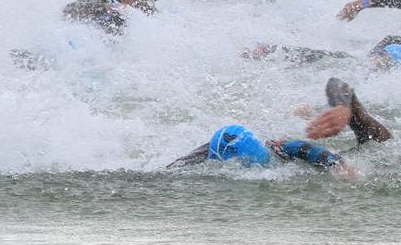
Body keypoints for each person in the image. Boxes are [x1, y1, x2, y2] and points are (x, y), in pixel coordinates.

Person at [167, 80, 390, 181]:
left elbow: (303, 148)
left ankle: (308, 111)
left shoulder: (383, 148)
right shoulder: (266, 149)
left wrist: (338, 163)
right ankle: (308, 111)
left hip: (378, 159)